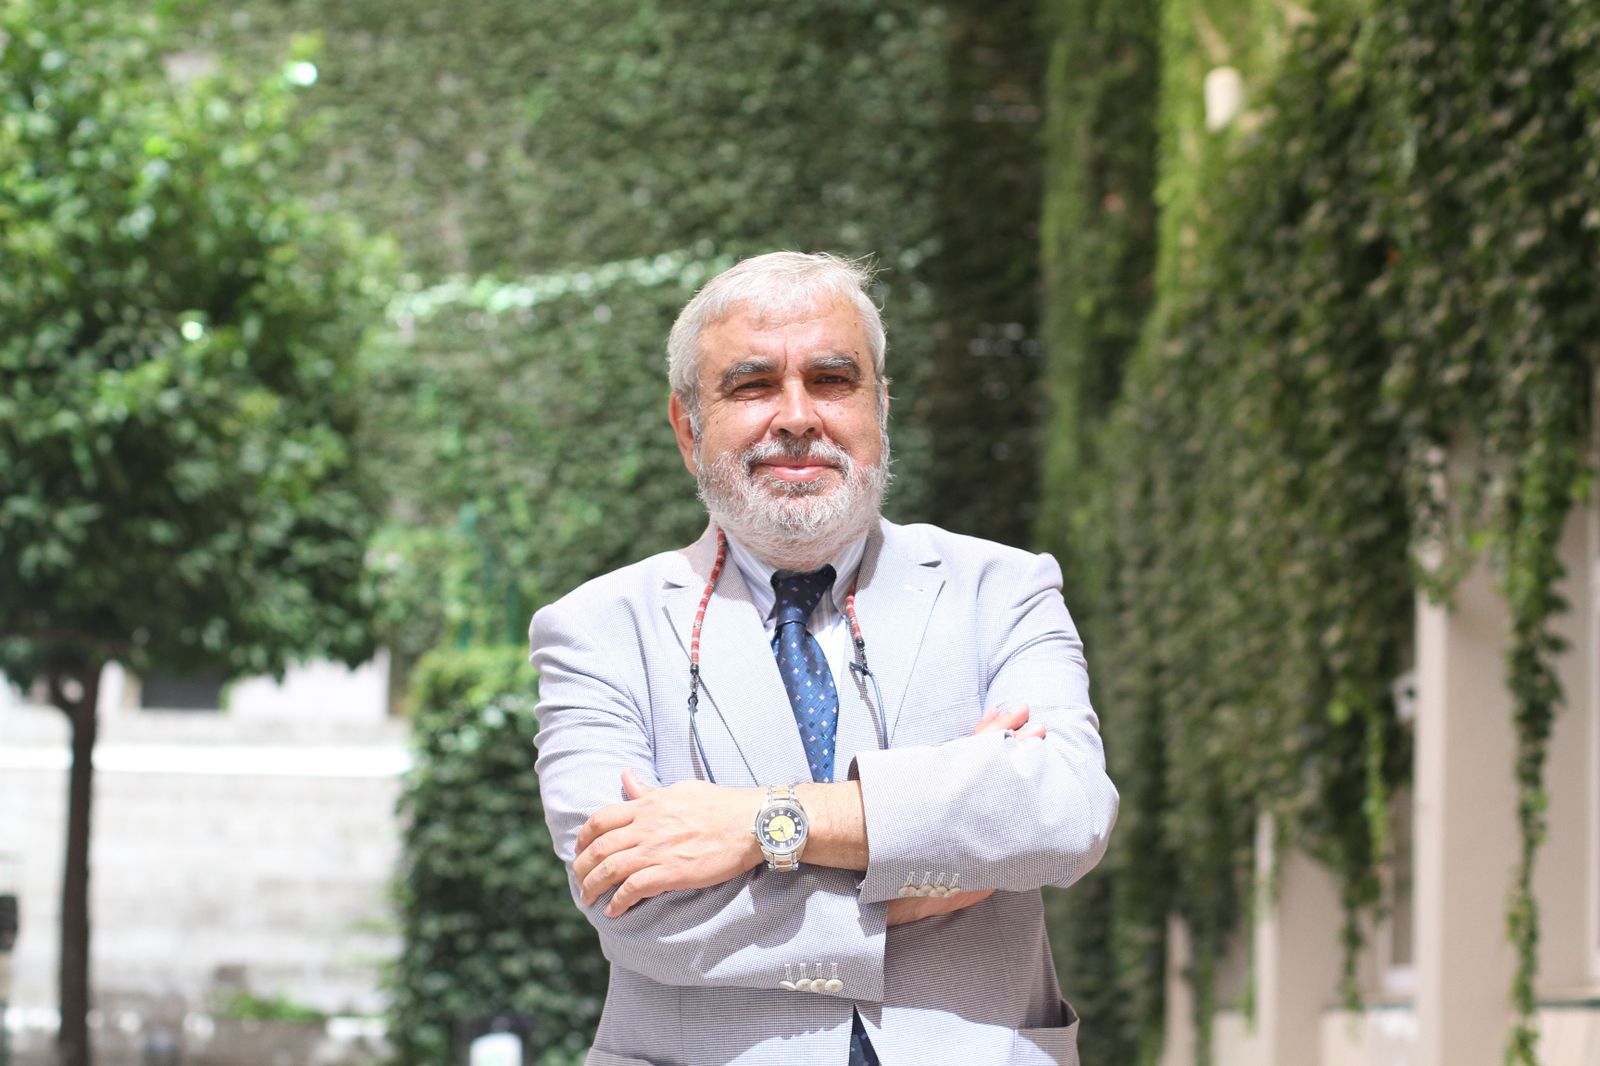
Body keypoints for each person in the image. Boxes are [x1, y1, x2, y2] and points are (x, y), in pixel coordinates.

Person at [530, 251, 1118, 1066]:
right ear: (687, 427)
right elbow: (639, 916)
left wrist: (760, 825)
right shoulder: (597, 630)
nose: (797, 415)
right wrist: (935, 860)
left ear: (880, 407)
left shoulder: (1002, 588)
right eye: (753, 384)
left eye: (833, 379)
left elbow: (1064, 813)